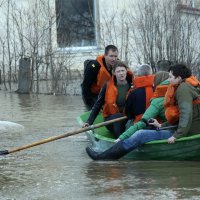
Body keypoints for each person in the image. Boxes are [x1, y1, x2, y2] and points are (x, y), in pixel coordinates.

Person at [86, 64, 200, 160]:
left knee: (141, 134)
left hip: (188, 131)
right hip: (189, 128)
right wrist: (161, 125)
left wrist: (177, 136)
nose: (169, 80)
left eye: (170, 77)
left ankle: (103, 157)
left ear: (179, 78)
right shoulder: (189, 86)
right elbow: (181, 117)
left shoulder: (182, 89)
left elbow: (186, 113)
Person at [83, 60, 134, 139]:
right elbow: (98, 105)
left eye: (123, 70)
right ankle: (119, 141)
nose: (121, 73)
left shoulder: (133, 84)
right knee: (117, 116)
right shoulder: (107, 85)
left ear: (126, 71)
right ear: (114, 73)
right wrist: (89, 122)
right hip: (111, 119)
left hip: (128, 118)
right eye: (118, 71)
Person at [81, 45, 119, 110]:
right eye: (111, 56)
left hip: (106, 94)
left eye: (115, 56)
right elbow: (85, 87)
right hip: (91, 94)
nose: (114, 59)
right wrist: (92, 106)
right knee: (95, 109)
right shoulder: (94, 66)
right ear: (105, 55)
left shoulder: (118, 66)